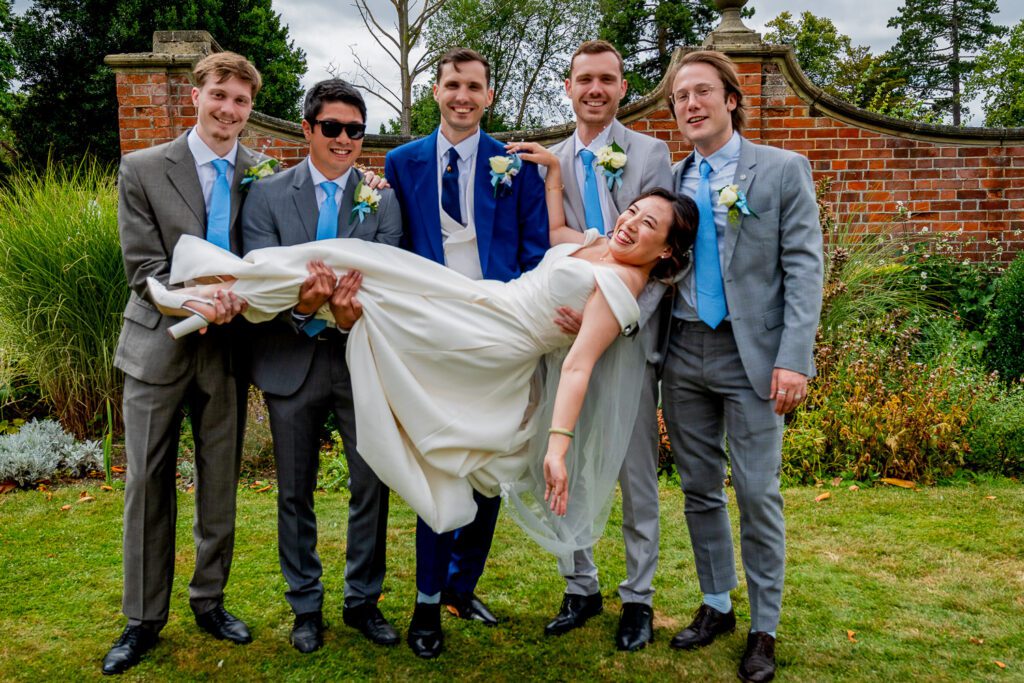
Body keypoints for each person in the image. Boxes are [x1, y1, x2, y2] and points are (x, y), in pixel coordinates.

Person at [661, 50, 823, 683]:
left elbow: (805, 270)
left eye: (703, 92)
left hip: (753, 357)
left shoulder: (782, 170)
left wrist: (794, 359)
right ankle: (716, 605)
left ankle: (765, 627)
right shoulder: (673, 179)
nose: (691, 105)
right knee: (699, 489)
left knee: (758, 493)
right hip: (681, 351)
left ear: (731, 99)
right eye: (680, 97)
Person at [382, 47, 549, 658]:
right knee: (442, 467)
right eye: (453, 84)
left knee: (490, 469)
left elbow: (533, 252)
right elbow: (391, 248)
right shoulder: (400, 164)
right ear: (435, 90)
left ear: (489, 96)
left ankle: (461, 586)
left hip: (500, 337)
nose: (462, 96)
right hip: (431, 338)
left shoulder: (515, 166)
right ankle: (427, 604)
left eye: (474, 87)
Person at [103, 51, 261, 676]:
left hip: (227, 352)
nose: (228, 109)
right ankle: (142, 618)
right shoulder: (143, 167)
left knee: (219, 482)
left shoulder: (260, 172)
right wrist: (187, 300)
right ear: (196, 95)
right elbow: (142, 269)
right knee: (147, 482)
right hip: (157, 347)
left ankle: (210, 601)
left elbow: (269, 257)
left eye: (241, 101)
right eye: (219, 94)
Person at [240, 79, 402, 654]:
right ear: (307, 128)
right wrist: (305, 308)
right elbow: (257, 282)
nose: (343, 139)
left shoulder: (381, 198)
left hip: (362, 362)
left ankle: (363, 601)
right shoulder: (265, 196)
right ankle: (304, 605)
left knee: (370, 486)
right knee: (294, 492)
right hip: (290, 359)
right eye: (331, 127)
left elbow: (387, 285)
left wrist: (348, 317)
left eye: (354, 130)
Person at [534, 39, 674, 653]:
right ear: (567, 86)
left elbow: (668, 259)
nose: (595, 89)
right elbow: (543, 241)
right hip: (563, 338)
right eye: (584, 78)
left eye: (607, 80)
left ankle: (638, 598)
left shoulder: (651, 153)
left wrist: (618, 319)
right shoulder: (548, 161)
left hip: (629, 333)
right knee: (566, 457)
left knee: (635, 470)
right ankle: (579, 584)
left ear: (622, 87)